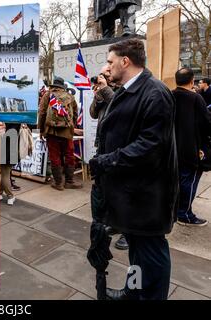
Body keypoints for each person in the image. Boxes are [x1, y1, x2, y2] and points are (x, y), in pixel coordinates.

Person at [89, 39, 178, 300]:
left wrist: (106, 161)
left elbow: (150, 147)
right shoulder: (130, 90)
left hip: (148, 198)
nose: (107, 67)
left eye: (109, 61)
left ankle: (150, 296)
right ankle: (135, 289)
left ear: (125, 61)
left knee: (151, 253)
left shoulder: (155, 93)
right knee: (137, 252)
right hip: (133, 195)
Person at [90, 65, 129, 251]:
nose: (105, 76)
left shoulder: (124, 90)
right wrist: (98, 96)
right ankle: (114, 222)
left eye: (106, 74)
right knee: (107, 188)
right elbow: (92, 113)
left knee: (124, 190)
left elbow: (119, 108)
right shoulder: (104, 92)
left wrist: (105, 89)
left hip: (120, 147)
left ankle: (127, 233)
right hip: (104, 145)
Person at [173, 68, 211, 227]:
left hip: (173, 148)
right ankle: (185, 214)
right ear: (192, 80)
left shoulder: (169, 95)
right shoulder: (196, 98)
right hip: (192, 149)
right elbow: (207, 124)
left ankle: (177, 211)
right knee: (190, 181)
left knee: (179, 181)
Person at [38, 77, 83, 191]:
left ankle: (58, 183)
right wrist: (71, 126)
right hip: (67, 131)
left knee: (55, 156)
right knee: (69, 155)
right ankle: (69, 181)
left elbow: (42, 113)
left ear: (53, 85)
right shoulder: (69, 96)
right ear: (62, 86)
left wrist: (42, 130)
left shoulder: (47, 95)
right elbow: (75, 114)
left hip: (51, 131)